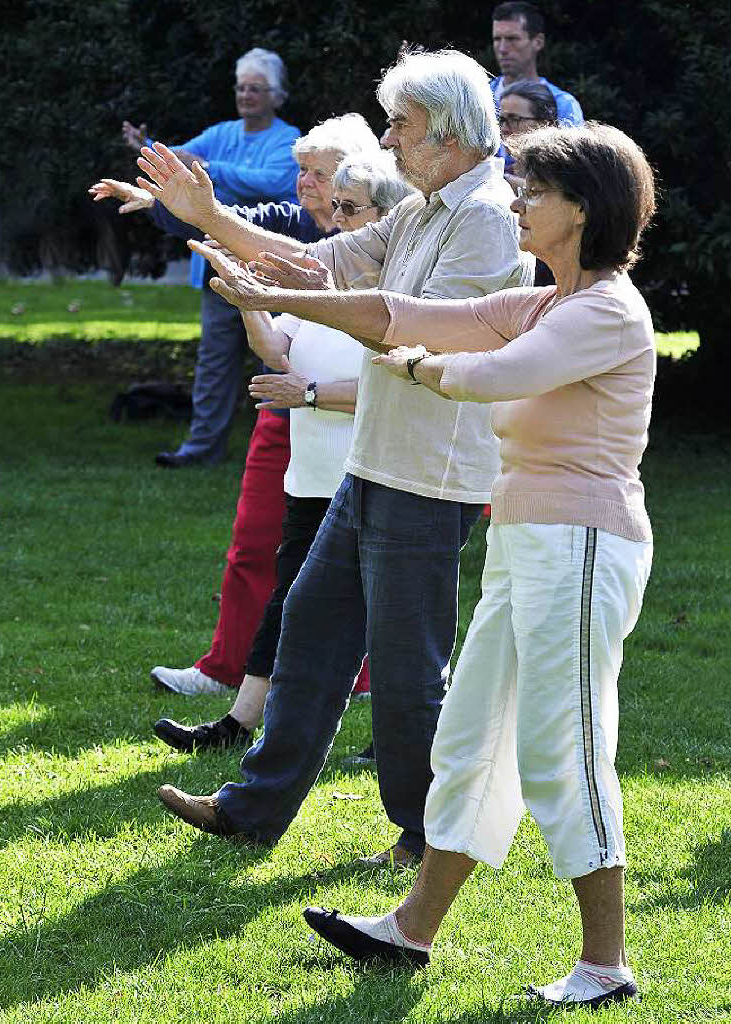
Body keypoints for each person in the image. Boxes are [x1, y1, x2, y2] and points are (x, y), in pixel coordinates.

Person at [214, 121, 657, 1009]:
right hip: (527, 544)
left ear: (582, 209)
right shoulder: (542, 299)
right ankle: (410, 930)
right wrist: (280, 294)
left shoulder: (604, 311)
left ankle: (605, 965)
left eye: (535, 191)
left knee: (561, 746)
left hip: (581, 548)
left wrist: (414, 367)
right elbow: (401, 312)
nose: (519, 201)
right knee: (471, 739)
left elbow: (491, 374)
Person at [137, 49, 533, 864]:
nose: (387, 141)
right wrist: (206, 216)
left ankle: (425, 833)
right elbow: (316, 262)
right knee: (312, 632)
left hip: (432, 471)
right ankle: (253, 807)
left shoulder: (488, 214)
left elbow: (409, 325)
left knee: (405, 666)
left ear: (452, 132)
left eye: (401, 125)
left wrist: (278, 296)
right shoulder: (424, 207)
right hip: (378, 460)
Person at [90, 115, 381, 696]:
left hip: (362, 422)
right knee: (256, 541)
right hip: (287, 409)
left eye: (319, 174)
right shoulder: (289, 223)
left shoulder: (386, 246)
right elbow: (230, 228)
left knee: (368, 556)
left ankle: (365, 678)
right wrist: (161, 204)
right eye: (301, 170)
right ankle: (229, 671)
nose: (305, 184)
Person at [150, 152, 414, 751]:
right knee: (290, 599)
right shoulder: (324, 289)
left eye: (352, 209)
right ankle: (237, 724)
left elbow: (401, 385)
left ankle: (402, 734)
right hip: (312, 476)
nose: (337, 218)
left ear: (387, 218)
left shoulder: (399, 300)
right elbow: (277, 351)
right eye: (338, 207)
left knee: (394, 610)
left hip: (372, 474)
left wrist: (312, 394)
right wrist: (248, 300)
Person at [123, 48, 301, 467]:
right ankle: (201, 450)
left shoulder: (289, 139)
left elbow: (274, 181)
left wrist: (208, 173)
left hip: (269, 271)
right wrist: (147, 146)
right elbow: (176, 164)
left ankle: (283, 451)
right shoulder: (221, 133)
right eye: (240, 87)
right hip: (218, 270)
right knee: (214, 363)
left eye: (255, 88)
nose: (245, 95)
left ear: (277, 96)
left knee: (279, 358)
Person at [498, 79, 558, 284]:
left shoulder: (563, 179)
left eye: (514, 119)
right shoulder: (502, 170)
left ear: (544, 124)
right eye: (501, 120)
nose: (505, 128)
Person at [490, 3, 583, 126]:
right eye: (497, 39)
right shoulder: (479, 96)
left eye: (512, 39)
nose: (502, 48)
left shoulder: (563, 105)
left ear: (538, 42)